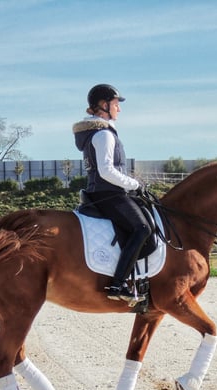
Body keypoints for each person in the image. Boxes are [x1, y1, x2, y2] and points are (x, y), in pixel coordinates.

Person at [73, 84, 151, 303]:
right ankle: (118, 284)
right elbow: (107, 171)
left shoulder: (96, 133)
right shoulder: (104, 134)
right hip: (109, 193)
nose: (119, 109)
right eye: (116, 104)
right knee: (142, 228)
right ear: (104, 106)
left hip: (103, 192)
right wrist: (134, 184)